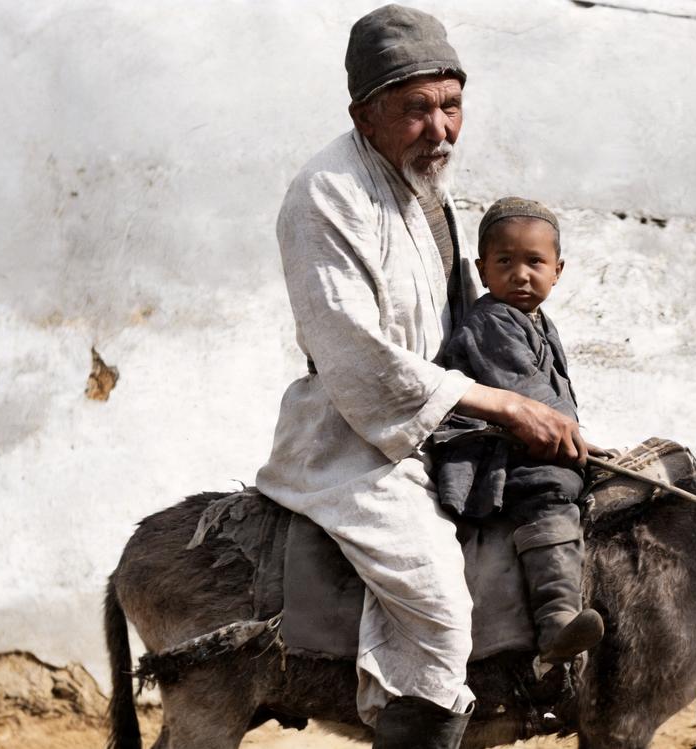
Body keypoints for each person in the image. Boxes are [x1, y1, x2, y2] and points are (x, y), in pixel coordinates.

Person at [253, 6, 587, 748]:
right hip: (356, 439)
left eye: (452, 105)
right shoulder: (325, 194)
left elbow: (463, 325)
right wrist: (497, 403)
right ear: (364, 115)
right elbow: (352, 353)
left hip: (447, 420)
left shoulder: (425, 186)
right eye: (416, 109)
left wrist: (528, 396)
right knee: (438, 606)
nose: (440, 129)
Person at [430, 198, 605, 664]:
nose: (521, 274)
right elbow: (529, 399)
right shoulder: (491, 321)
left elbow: (556, 408)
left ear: (558, 270)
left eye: (534, 262)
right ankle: (557, 619)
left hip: (528, 438)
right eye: (504, 262)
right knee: (552, 485)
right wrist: (578, 448)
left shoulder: (540, 322)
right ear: (482, 270)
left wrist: (586, 442)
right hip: (489, 449)